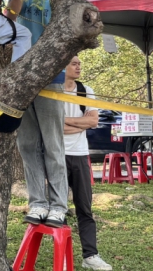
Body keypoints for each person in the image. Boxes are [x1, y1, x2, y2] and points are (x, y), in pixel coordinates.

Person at [6, 0, 68, 228]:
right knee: (27, 144)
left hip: (51, 76)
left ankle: (59, 206)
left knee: (53, 144)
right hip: (22, 75)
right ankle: (38, 203)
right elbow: (8, 18)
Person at [62, 56, 112, 271]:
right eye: (74, 63)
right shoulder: (52, 92)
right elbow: (51, 125)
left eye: (80, 63)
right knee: (59, 209)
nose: (78, 67)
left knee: (84, 207)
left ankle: (90, 255)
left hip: (80, 154)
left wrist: (66, 121)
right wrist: (80, 123)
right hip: (57, 154)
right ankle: (63, 254)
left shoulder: (85, 91)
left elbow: (93, 121)